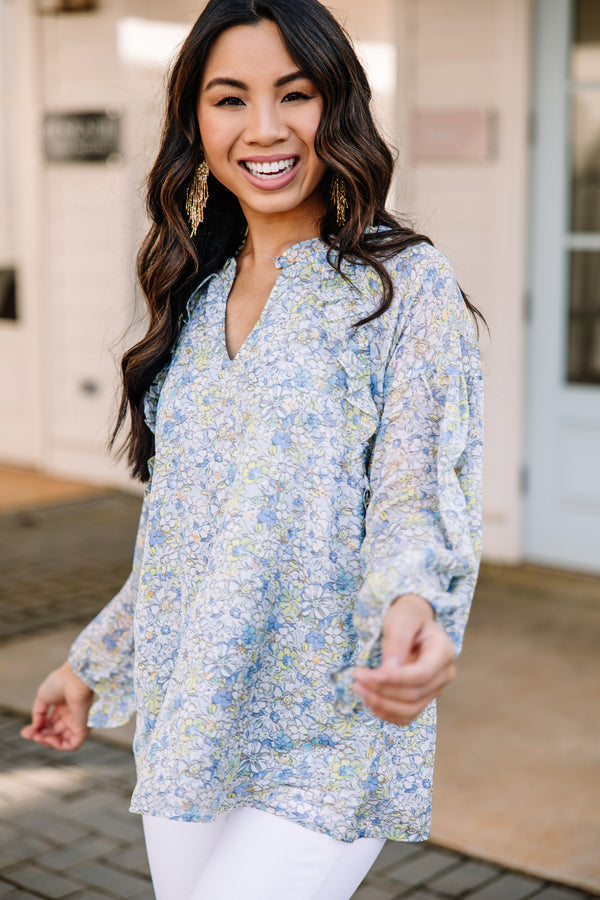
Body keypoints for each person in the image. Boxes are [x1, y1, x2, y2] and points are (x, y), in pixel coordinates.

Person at [21, 1, 484, 898]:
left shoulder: (403, 286)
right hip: (191, 719)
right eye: (229, 99)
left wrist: (415, 606)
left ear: (337, 106)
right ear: (195, 122)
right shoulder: (191, 298)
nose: (265, 128)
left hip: (328, 726)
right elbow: (191, 536)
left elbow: (415, 488)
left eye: (295, 94)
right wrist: (90, 665)